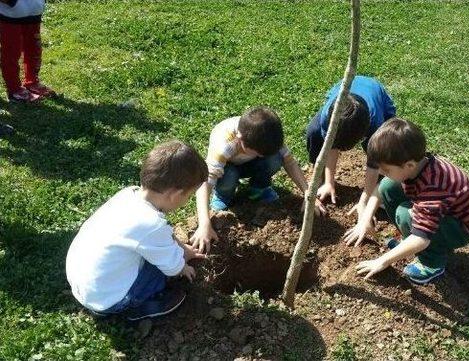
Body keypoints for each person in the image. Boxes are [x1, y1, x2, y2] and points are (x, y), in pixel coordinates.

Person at [66, 141, 208, 320]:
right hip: (109, 299)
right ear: (175, 195)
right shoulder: (151, 224)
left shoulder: (128, 194)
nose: (186, 200)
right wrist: (182, 266)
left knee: (156, 251)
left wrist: (183, 249)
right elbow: (172, 267)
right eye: (188, 196)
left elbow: (162, 235)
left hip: (85, 282)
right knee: (160, 273)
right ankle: (141, 308)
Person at [343, 118, 469, 284]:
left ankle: (432, 263)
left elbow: (421, 239)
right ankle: (411, 239)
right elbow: (380, 187)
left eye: (386, 169)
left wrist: (381, 261)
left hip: (461, 228)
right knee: (388, 186)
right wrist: (365, 219)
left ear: (409, 165)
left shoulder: (433, 187)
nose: (382, 172)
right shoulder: (418, 166)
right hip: (445, 213)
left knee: (405, 215)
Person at [190, 106, 326, 253]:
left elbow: (290, 163)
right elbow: (205, 183)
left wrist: (308, 193)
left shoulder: (269, 138)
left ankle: (259, 188)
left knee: (274, 159)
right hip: (228, 168)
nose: (262, 155)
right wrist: (204, 224)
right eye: (258, 153)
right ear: (240, 139)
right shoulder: (225, 146)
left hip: (251, 164)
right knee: (229, 177)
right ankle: (223, 195)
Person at [306, 75, 396, 220]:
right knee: (313, 132)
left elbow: (373, 163)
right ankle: (324, 180)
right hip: (344, 91)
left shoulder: (375, 123)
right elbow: (331, 145)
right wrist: (329, 181)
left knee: (386, 148)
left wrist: (363, 202)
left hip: (377, 97)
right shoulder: (328, 118)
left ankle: (377, 189)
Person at [0, 0, 56, 103]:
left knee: (34, 49)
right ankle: (14, 89)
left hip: (33, 11)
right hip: (10, 16)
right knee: (12, 52)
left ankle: (32, 82)